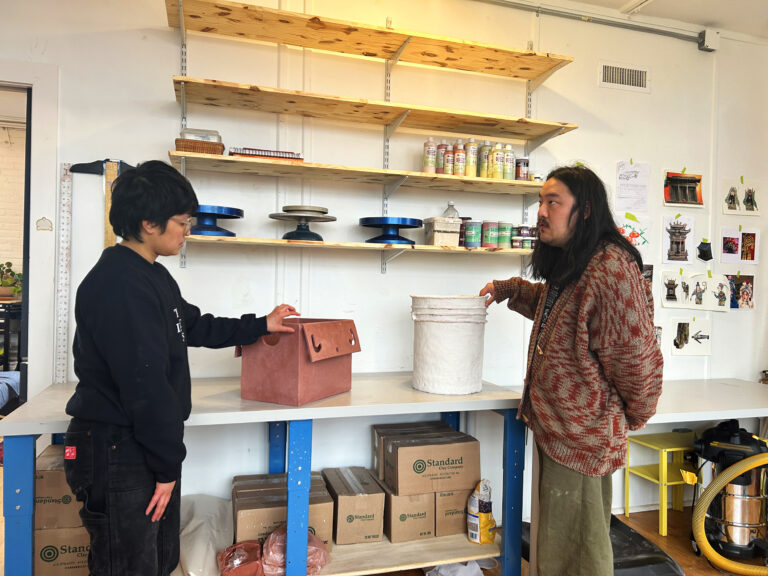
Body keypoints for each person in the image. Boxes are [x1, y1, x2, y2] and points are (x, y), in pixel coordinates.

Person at [64, 160, 299, 576]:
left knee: (158, 561)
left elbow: (193, 325)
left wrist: (262, 325)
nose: (188, 230)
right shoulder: (119, 284)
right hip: (118, 449)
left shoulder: (152, 275)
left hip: (140, 447)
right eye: (182, 221)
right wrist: (167, 465)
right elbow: (145, 385)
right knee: (129, 566)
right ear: (148, 222)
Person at [479, 165, 663, 576]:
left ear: (584, 211)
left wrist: (622, 419)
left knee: (578, 558)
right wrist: (511, 289)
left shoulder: (611, 270)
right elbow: (558, 309)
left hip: (582, 441)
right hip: (559, 432)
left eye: (553, 202)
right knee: (555, 551)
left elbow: (638, 362)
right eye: (540, 202)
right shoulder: (578, 263)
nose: (541, 212)